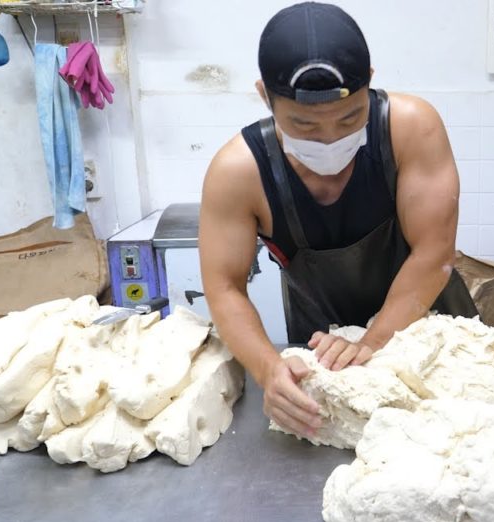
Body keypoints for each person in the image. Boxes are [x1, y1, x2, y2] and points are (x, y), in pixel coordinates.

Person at [199, 2, 478, 440]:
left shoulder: (410, 128)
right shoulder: (239, 172)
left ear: (370, 80)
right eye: (304, 125)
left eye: (350, 117)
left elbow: (433, 253)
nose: (330, 138)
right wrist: (268, 369)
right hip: (322, 347)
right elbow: (224, 286)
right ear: (264, 96)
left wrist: (371, 342)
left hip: (430, 333)